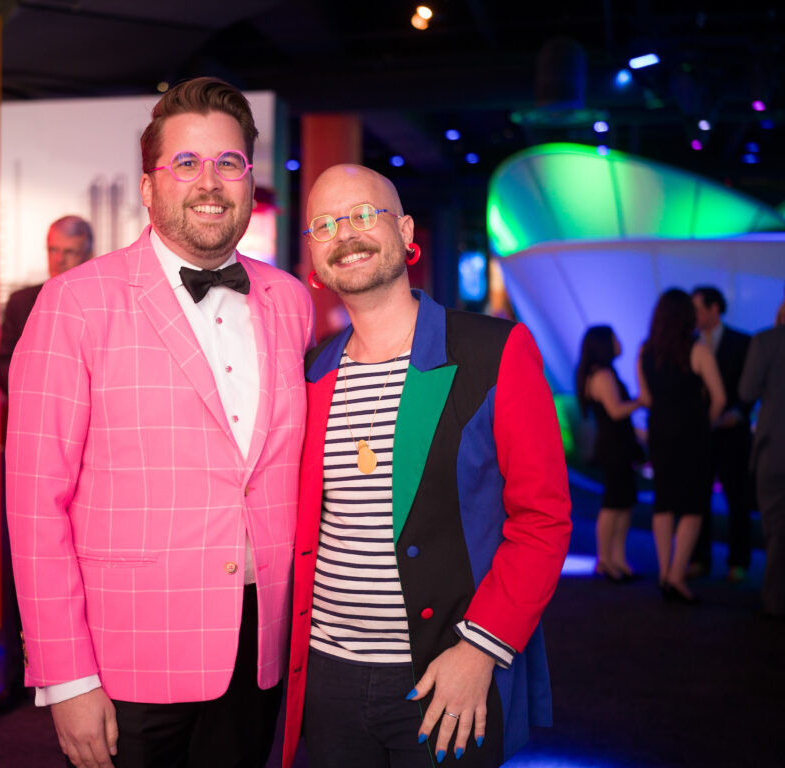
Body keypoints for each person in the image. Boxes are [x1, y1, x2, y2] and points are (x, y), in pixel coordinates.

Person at [6, 78, 315, 768]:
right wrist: (67, 676)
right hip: (126, 660)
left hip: (256, 649)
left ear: (250, 180)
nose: (210, 181)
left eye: (228, 163)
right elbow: (35, 504)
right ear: (148, 187)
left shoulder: (291, 302)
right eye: (187, 163)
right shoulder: (74, 305)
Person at [282, 164, 572, 768]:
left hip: (445, 669)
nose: (347, 233)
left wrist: (481, 650)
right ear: (312, 250)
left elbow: (542, 520)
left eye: (364, 214)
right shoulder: (309, 371)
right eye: (325, 224)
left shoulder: (493, 350)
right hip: (328, 679)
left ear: (406, 229)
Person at [0, 215, 93, 717]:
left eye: (72, 252)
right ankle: (16, 682)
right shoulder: (24, 301)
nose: (63, 261)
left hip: (91, 462)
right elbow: (0, 367)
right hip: (28, 457)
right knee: (19, 572)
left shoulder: (101, 297)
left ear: (88, 252)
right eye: (56, 251)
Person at [637, 289, 725, 604]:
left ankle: (664, 573)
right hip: (692, 435)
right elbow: (719, 398)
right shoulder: (697, 350)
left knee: (664, 502)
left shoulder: (645, 351)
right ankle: (677, 575)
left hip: (660, 432)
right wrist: (706, 423)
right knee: (692, 506)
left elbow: (646, 398)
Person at [690, 286, 753, 582]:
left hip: (733, 435)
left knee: (737, 499)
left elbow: (751, 387)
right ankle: (698, 558)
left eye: (699, 309)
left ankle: (738, 561)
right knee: (697, 497)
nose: (695, 316)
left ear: (715, 309)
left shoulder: (743, 341)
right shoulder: (688, 343)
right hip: (701, 436)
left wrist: (738, 413)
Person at [739, 275, 785, 619]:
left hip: (778, 453)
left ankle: (776, 606)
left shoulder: (767, 341)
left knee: (778, 533)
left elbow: (746, 393)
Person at [575, 325, 642, 582]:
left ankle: (617, 559)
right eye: (614, 338)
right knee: (614, 503)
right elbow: (616, 411)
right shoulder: (602, 375)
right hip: (614, 447)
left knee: (623, 502)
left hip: (617, 445)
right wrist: (642, 400)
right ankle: (605, 559)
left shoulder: (600, 373)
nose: (619, 342)